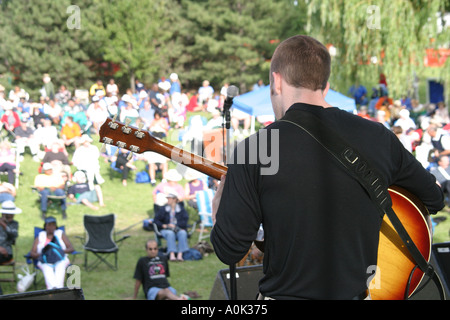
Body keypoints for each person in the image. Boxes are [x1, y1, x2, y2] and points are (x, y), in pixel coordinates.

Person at [210, 35, 444, 300]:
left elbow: (229, 250)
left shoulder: (256, 148)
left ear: (276, 81)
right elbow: (434, 198)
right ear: (326, 84)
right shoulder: (379, 137)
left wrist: (220, 201)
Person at [29, 216, 74, 290]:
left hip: (60, 258)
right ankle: (52, 289)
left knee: (60, 268)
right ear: (45, 226)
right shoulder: (40, 236)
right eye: (49, 225)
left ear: (56, 226)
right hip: (45, 260)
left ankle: (58, 289)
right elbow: (32, 253)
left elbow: (71, 248)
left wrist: (58, 251)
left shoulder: (60, 234)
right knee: (47, 269)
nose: (51, 227)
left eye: (53, 225)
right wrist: (45, 254)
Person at [153, 190, 189, 262]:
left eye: (169, 198)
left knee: (183, 233)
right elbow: (156, 220)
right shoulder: (163, 209)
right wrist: (164, 225)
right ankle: (172, 254)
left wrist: (176, 226)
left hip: (178, 228)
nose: (168, 200)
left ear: (174, 199)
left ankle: (180, 254)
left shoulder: (181, 210)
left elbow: (185, 221)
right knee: (170, 233)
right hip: (166, 229)